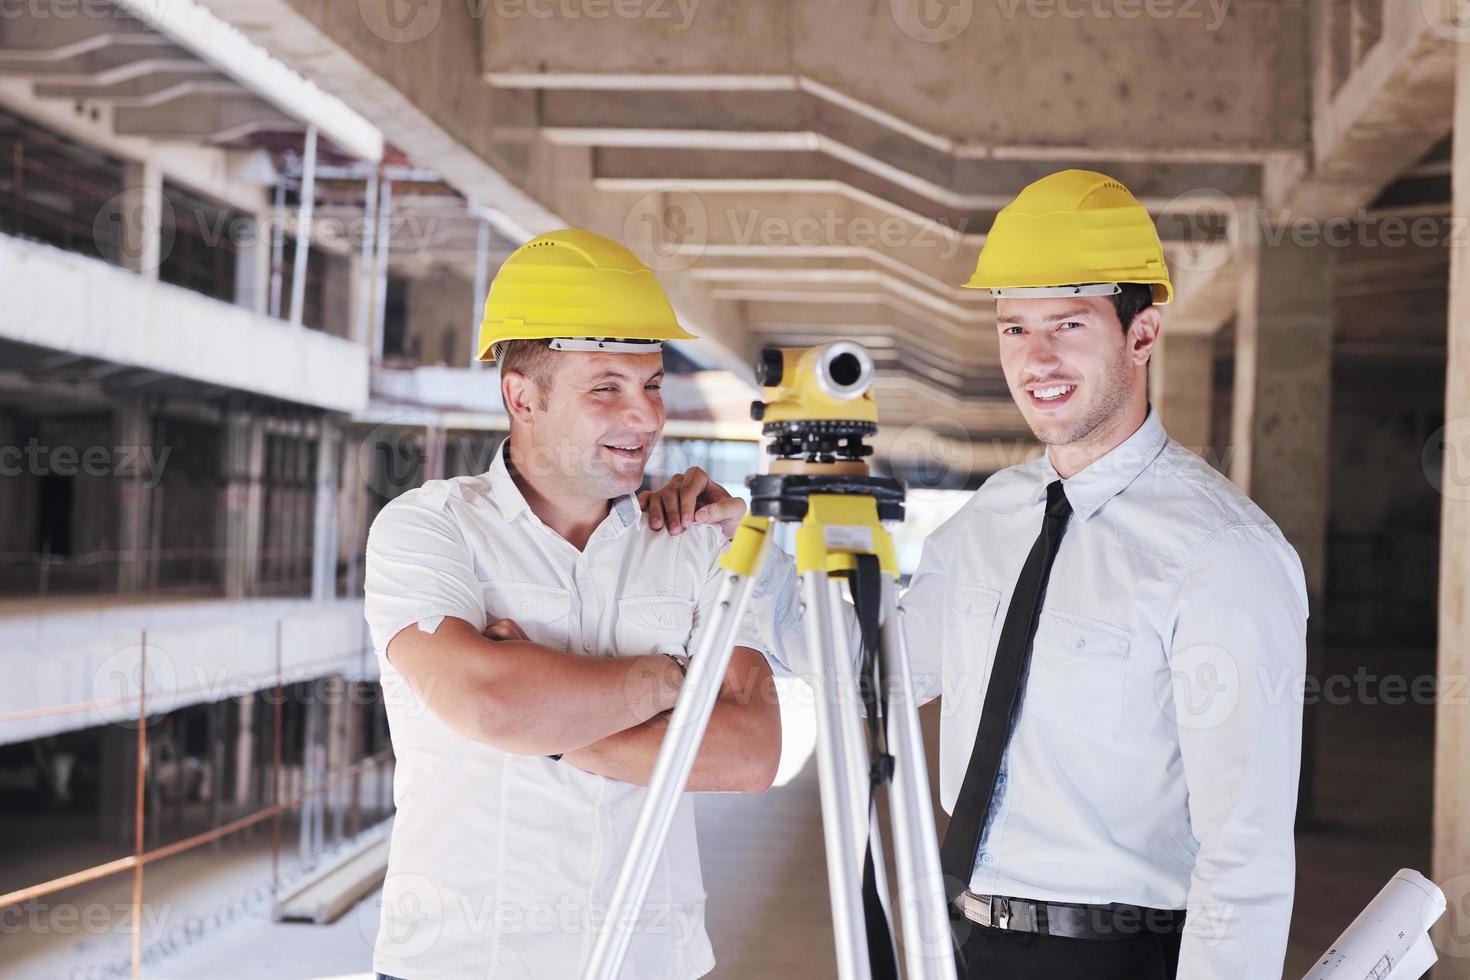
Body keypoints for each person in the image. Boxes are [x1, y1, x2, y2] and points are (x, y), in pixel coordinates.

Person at [643, 170, 1308, 979]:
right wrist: (732, 545)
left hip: (1115, 956)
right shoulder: (997, 514)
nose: (1037, 359)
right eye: (1014, 328)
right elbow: (874, 667)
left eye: (1069, 322)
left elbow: (1246, 854)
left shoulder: (1224, 555)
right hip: (959, 938)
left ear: (1143, 332)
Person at [362, 228, 785, 980]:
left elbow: (751, 753)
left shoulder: (697, 542)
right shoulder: (429, 529)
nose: (647, 417)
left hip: (652, 964)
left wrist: (547, 722)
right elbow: (491, 703)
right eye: (606, 388)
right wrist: (667, 683)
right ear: (521, 396)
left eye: (652, 384)